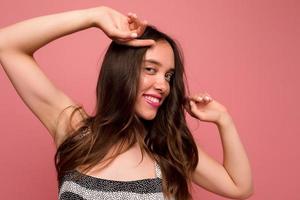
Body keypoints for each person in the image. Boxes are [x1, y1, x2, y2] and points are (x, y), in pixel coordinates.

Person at [0, 6, 253, 200]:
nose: (163, 85)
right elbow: (6, 44)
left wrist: (223, 119)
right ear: (122, 72)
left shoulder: (165, 147)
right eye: (151, 69)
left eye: (169, 76)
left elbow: (238, 186)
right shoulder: (75, 131)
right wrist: (94, 16)